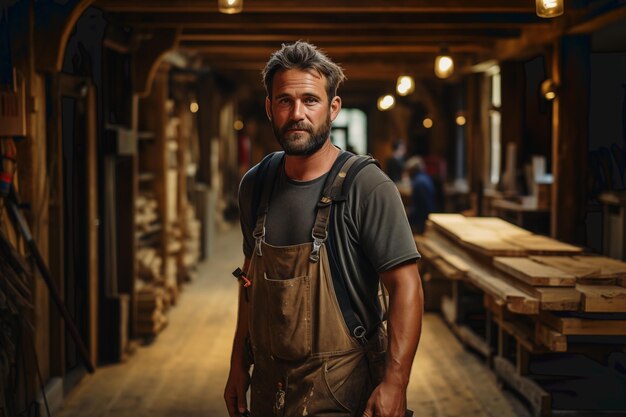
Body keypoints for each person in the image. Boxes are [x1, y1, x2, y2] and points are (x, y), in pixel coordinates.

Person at [224, 41, 424, 417]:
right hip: (270, 389)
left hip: (343, 390)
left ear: (333, 108)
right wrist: (238, 363)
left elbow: (406, 286)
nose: (297, 113)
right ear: (270, 108)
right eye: (284, 101)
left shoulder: (367, 186)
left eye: (310, 101)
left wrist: (396, 383)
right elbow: (250, 282)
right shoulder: (255, 185)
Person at [405, 156, 437, 234]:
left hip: (423, 219)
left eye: (408, 171)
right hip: (429, 212)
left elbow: (421, 207)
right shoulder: (425, 178)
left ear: (412, 171)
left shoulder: (418, 183)